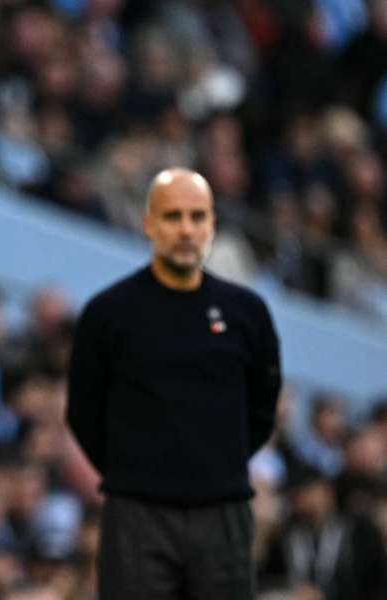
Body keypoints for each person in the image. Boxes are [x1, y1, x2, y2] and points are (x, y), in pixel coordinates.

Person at [66, 168, 282, 599]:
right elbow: (84, 412)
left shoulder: (246, 313)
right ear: (148, 223)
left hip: (223, 509)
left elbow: (262, 406)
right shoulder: (109, 313)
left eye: (197, 217)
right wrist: (135, 471)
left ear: (212, 226)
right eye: (173, 217)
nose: (186, 230)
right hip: (136, 512)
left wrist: (216, 465)